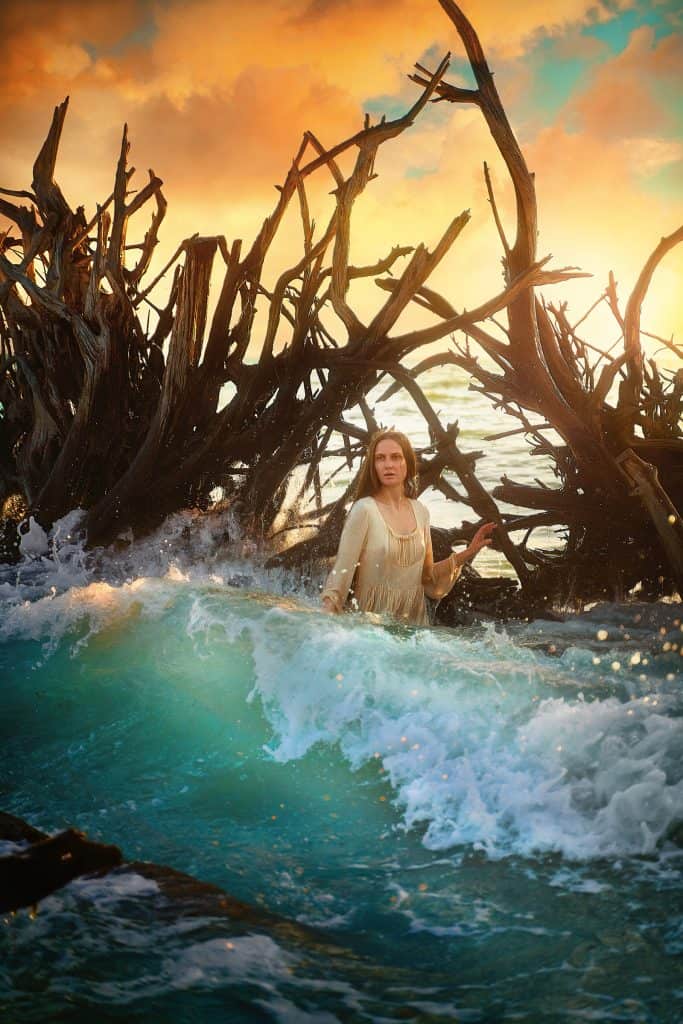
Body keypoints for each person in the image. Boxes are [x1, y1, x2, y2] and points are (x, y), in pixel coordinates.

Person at [321, 430, 495, 626]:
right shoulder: (364, 510)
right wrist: (326, 630)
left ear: (408, 464)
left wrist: (468, 553)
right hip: (371, 633)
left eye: (396, 457)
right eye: (380, 458)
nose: (388, 464)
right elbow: (340, 577)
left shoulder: (420, 512)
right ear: (374, 466)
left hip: (414, 633)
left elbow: (427, 579)